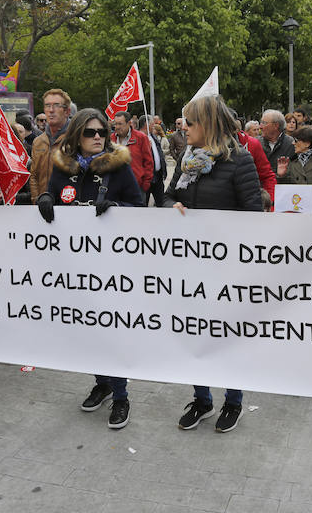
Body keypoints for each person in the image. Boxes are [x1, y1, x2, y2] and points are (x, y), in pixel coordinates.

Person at [37, 109, 143, 429]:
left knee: (110, 331)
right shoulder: (61, 169)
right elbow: (53, 197)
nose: (98, 137)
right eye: (90, 132)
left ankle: (121, 396)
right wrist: (44, 197)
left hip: (111, 267)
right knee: (87, 328)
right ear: (76, 136)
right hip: (75, 266)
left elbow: (139, 207)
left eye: (102, 132)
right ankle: (103, 383)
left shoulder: (119, 168)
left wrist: (118, 209)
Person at [165, 95, 261, 433]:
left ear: (209, 125)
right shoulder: (188, 158)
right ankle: (202, 399)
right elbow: (169, 195)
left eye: (190, 123)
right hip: (190, 266)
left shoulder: (240, 161)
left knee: (226, 337)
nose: (184, 128)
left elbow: (254, 216)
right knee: (195, 334)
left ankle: (233, 401)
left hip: (226, 270)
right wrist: (170, 208)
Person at [29, 89, 72, 199]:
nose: (51, 110)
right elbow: (34, 175)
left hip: (68, 206)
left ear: (67, 111)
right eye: (47, 106)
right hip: (42, 205)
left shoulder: (76, 139)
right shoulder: (38, 141)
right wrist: (36, 200)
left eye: (56, 105)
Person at [111, 111, 153, 195]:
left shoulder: (141, 138)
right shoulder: (110, 139)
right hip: (115, 187)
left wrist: (145, 184)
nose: (117, 127)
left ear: (129, 123)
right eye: (115, 124)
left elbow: (148, 162)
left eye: (120, 124)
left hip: (137, 187)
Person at [259, 109, 295, 173]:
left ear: (276, 126)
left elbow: (295, 173)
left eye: (264, 123)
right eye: (261, 122)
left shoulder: (291, 144)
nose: (260, 127)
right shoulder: (256, 143)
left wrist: (281, 176)